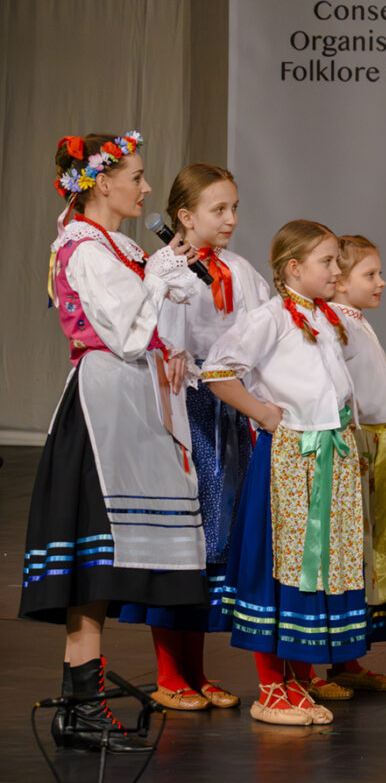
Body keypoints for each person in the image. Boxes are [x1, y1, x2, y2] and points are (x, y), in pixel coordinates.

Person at [24, 131, 206, 751]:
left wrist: (169, 337)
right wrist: (157, 276)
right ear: (101, 182)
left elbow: (149, 325)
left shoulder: (118, 246)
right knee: (93, 557)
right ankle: (80, 707)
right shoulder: (84, 251)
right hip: (100, 409)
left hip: (130, 404)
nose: (147, 187)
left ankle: (82, 706)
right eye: (136, 176)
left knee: (103, 560)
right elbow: (125, 333)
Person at [205, 220, 377, 725]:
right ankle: (270, 689)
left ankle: (298, 680)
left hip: (330, 454)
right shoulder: (271, 317)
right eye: (327, 261)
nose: (336, 269)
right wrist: (262, 412)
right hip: (292, 458)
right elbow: (218, 369)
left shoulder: (324, 317)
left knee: (318, 568)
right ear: (294, 268)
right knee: (283, 566)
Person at [117, 162, 271, 712]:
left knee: (215, 537)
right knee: (181, 536)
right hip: (180, 409)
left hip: (225, 410)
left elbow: (260, 333)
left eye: (234, 208)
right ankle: (168, 673)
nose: (230, 219)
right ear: (184, 216)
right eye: (218, 209)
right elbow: (144, 330)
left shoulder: (240, 270)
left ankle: (197, 671)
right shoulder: (162, 268)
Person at [323, 235, 386, 692]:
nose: (381, 282)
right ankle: (326, 659)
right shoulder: (333, 322)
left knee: (366, 551)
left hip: (371, 442)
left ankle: (349, 660)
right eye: (369, 274)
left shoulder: (354, 320)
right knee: (346, 550)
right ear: (339, 281)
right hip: (350, 444)